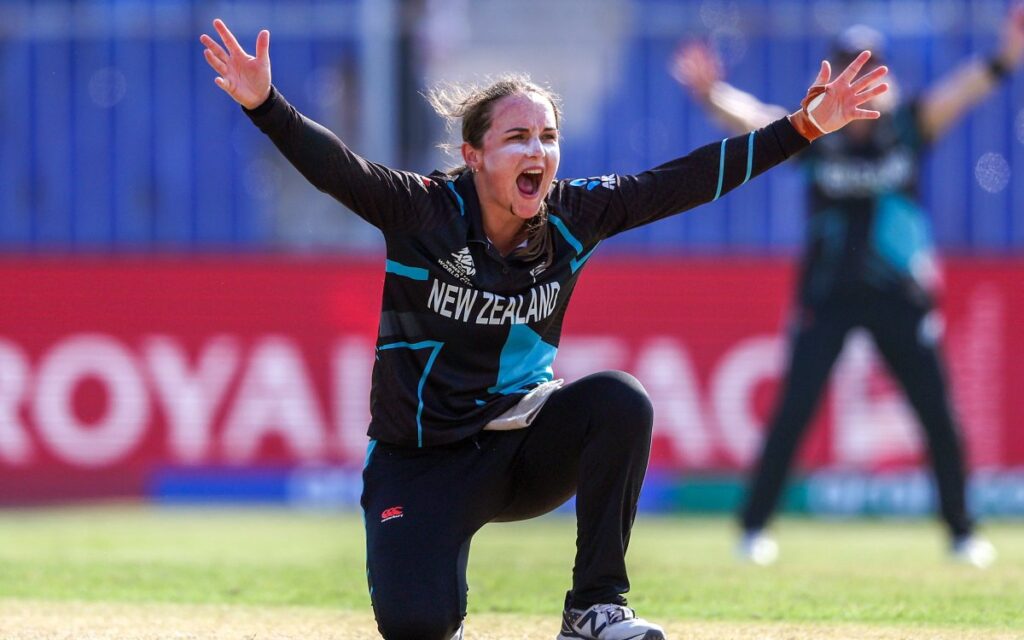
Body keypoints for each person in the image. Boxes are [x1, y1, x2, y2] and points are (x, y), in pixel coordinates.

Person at [200, 17, 888, 639]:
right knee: (417, 627)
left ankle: (595, 606)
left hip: (522, 450)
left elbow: (685, 179)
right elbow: (336, 169)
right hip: (420, 462)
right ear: (474, 155)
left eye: (549, 137)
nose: (539, 150)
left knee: (619, 401)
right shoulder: (422, 211)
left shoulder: (574, 215)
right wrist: (265, 104)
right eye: (517, 138)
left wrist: (803, 126)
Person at [673, 6, 1024, 570]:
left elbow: (961, 92)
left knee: (937, 413)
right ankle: (754, 529)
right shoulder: (814, 133)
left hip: (899, 295)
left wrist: (1007, 56)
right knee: (794, 410)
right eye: (846, 69)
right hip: (828, 294)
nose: (859, 80)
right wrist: (710, 93)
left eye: (869, 68)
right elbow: (753, 121)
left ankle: (962, 532)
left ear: (886, 76)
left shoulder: (909, 125)